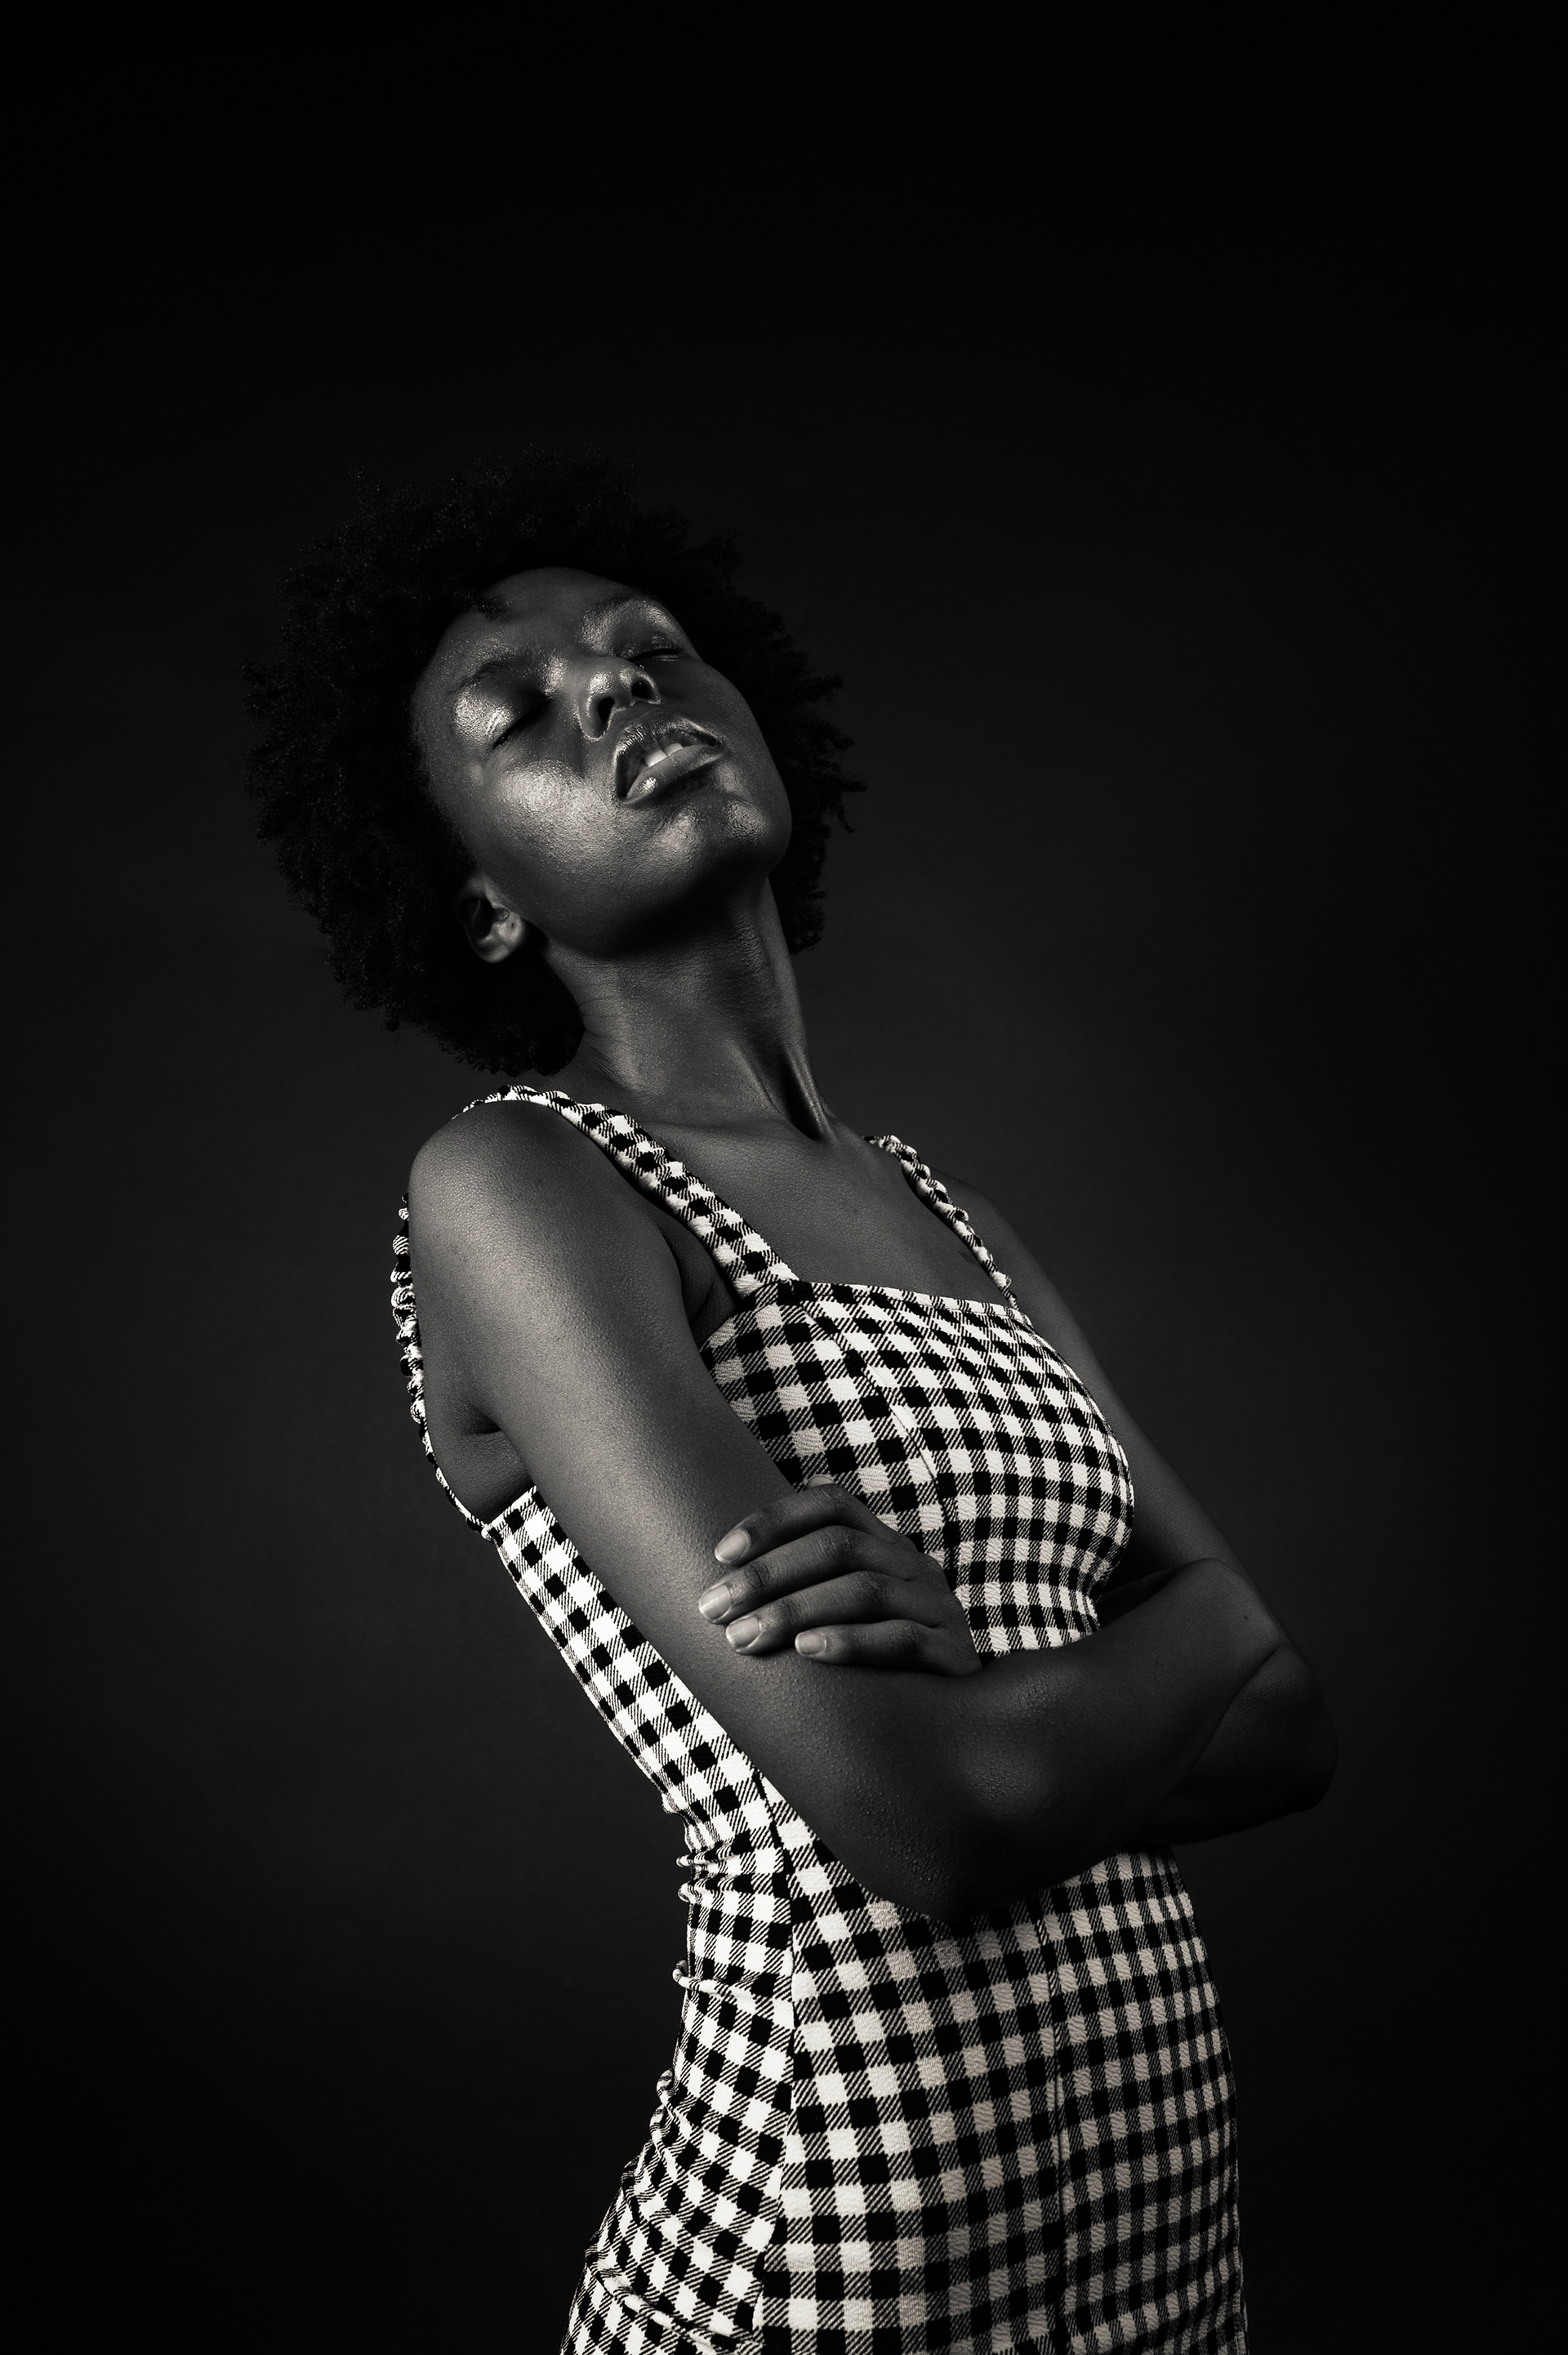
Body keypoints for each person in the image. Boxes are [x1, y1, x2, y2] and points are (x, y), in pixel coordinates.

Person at [249, 454, 1335, 2354]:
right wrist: (1198, 1615)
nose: (618, 685)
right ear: (481, 901)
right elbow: (940, 1816)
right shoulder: (523, 1183)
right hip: (842, 2229)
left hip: (1155, 2205)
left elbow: (1291, 1734)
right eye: (522, 712)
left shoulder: (950, 1216)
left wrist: (1003, 1691)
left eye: (652, 648)